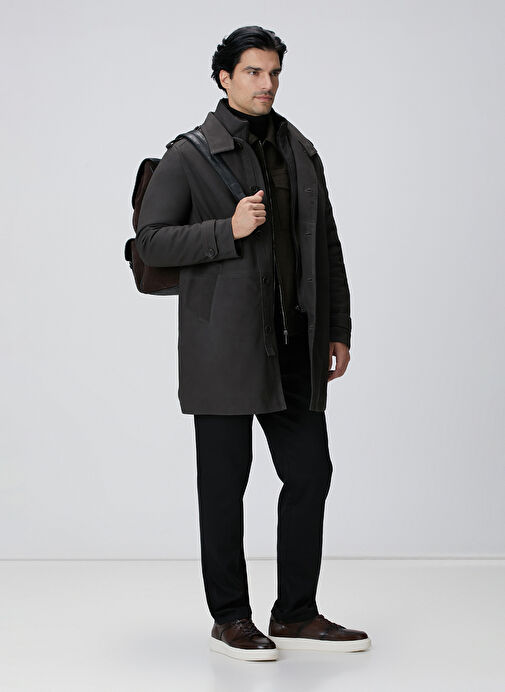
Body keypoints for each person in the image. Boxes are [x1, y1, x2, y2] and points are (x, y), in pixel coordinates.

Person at [136, 25, 371, 661]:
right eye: (253, 72)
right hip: (225, 347)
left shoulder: (299, 149)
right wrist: (228, 228)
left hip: (296, 343)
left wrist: (338, 327)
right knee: (224, 486)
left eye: (274, 73)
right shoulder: (190, 154)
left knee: (310, 473)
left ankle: (295, 613)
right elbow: (150, 242)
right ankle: (230, 618)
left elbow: (326, 243)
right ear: (224, 77)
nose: (267, 84)